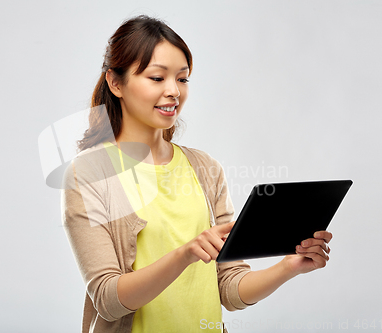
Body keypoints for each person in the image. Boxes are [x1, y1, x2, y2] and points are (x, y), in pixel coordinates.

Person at [61, 15, 332, 333]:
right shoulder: (90, 174)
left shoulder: (205, 169)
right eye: (157, 78)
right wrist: (184, 255)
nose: (174, 91)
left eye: (183, 79)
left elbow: (230, 289)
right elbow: (107, 298)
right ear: (116, 82)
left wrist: (289, 267)